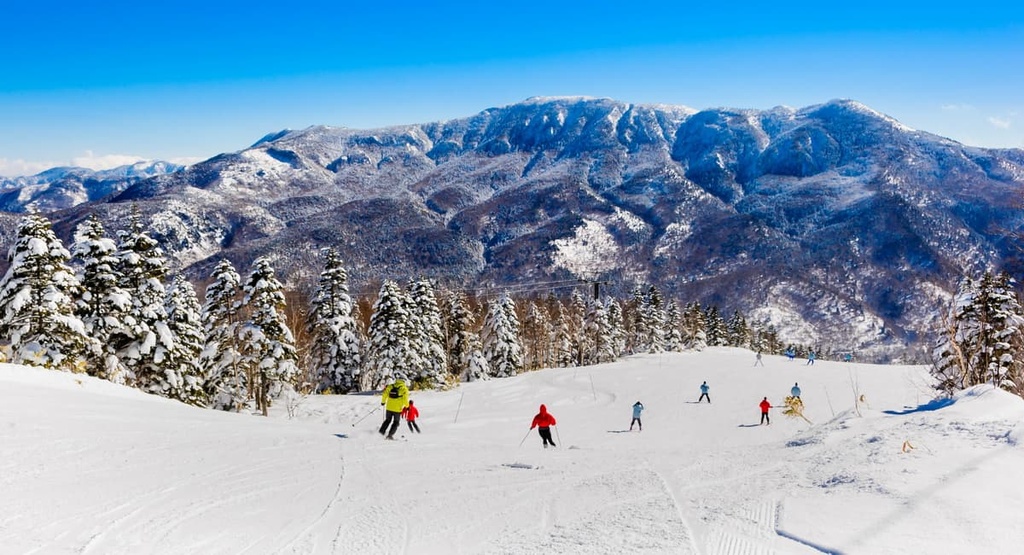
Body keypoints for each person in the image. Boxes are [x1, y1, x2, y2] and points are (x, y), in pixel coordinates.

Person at [379, 375, 410, 440]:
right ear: (404, 381)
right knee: (396, 422)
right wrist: (407, 407)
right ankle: (390, 435)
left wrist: (383, 402)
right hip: (397, 409)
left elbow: (385, 394)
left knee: (387, 420)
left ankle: (380, 433)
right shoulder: (404, 388)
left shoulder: (391, 386)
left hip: (389, 408)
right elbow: (405, 399)